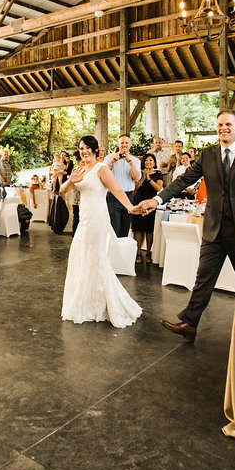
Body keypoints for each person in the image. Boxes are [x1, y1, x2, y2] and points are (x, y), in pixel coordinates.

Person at [134, 110, 235, 341]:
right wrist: (157, 199)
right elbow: (182, 180)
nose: (223, 129)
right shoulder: (208, 155)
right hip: (214, 229)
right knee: (203, 278)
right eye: (220, 125)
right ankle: (190, 323)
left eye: (228, 124)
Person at [60, 135, 141, 329]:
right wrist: (71, 181)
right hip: (84, 220)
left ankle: (99, 303)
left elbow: (117, 190)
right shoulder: (80, 168)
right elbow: (62, 190)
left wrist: (130, 207)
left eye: (88, 148)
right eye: (81, 148)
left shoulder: (101, 168)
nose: (84, 151)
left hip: (98, 219)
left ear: (96, 150)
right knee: (80, 257)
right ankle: (83, 302)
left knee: (95, 259)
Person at [103, 134, 141, 237]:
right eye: (122, 143)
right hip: (113, 197)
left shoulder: (136, 160)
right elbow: (103, 174)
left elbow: (137, 178)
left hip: (128, 196)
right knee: (114, 229)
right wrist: (112, 161)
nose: (124, 145)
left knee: (125, 229)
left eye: (126, 143)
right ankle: (112, 252)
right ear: (118, 144)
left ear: (130, 144)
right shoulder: (109, 158)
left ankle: (122, 252)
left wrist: (131, 163)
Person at [131, 153, 163, 263]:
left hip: (151, 203)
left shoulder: (158, 174)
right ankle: (138, 253)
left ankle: (149, 253)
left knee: (149, 229)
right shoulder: (139, 173)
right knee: (137, 229)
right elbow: (134, 187)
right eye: (146, 160)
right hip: (138, 201)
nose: (148, 162)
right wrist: (143, 178)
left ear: (154, 162)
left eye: (151, 160)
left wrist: (149, 179)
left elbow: (159, 188)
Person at [48, 153, 69, 234]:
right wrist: (53, 172)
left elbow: (65, 172)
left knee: (60, 184)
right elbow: (50, 171)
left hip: (61, 178)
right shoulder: (54, 163)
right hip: (55, 176)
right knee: (55, 183)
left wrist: (59, 172)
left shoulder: (63, 163)